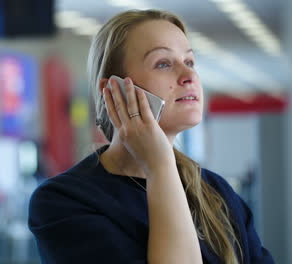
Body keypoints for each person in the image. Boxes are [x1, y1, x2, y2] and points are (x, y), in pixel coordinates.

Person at [28, 9, 274, 264]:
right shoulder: (64, 201)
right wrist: (159, 165)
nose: (189, 76)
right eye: (163, 63)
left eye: (189, 62)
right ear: (113, 89)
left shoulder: (216, 192)